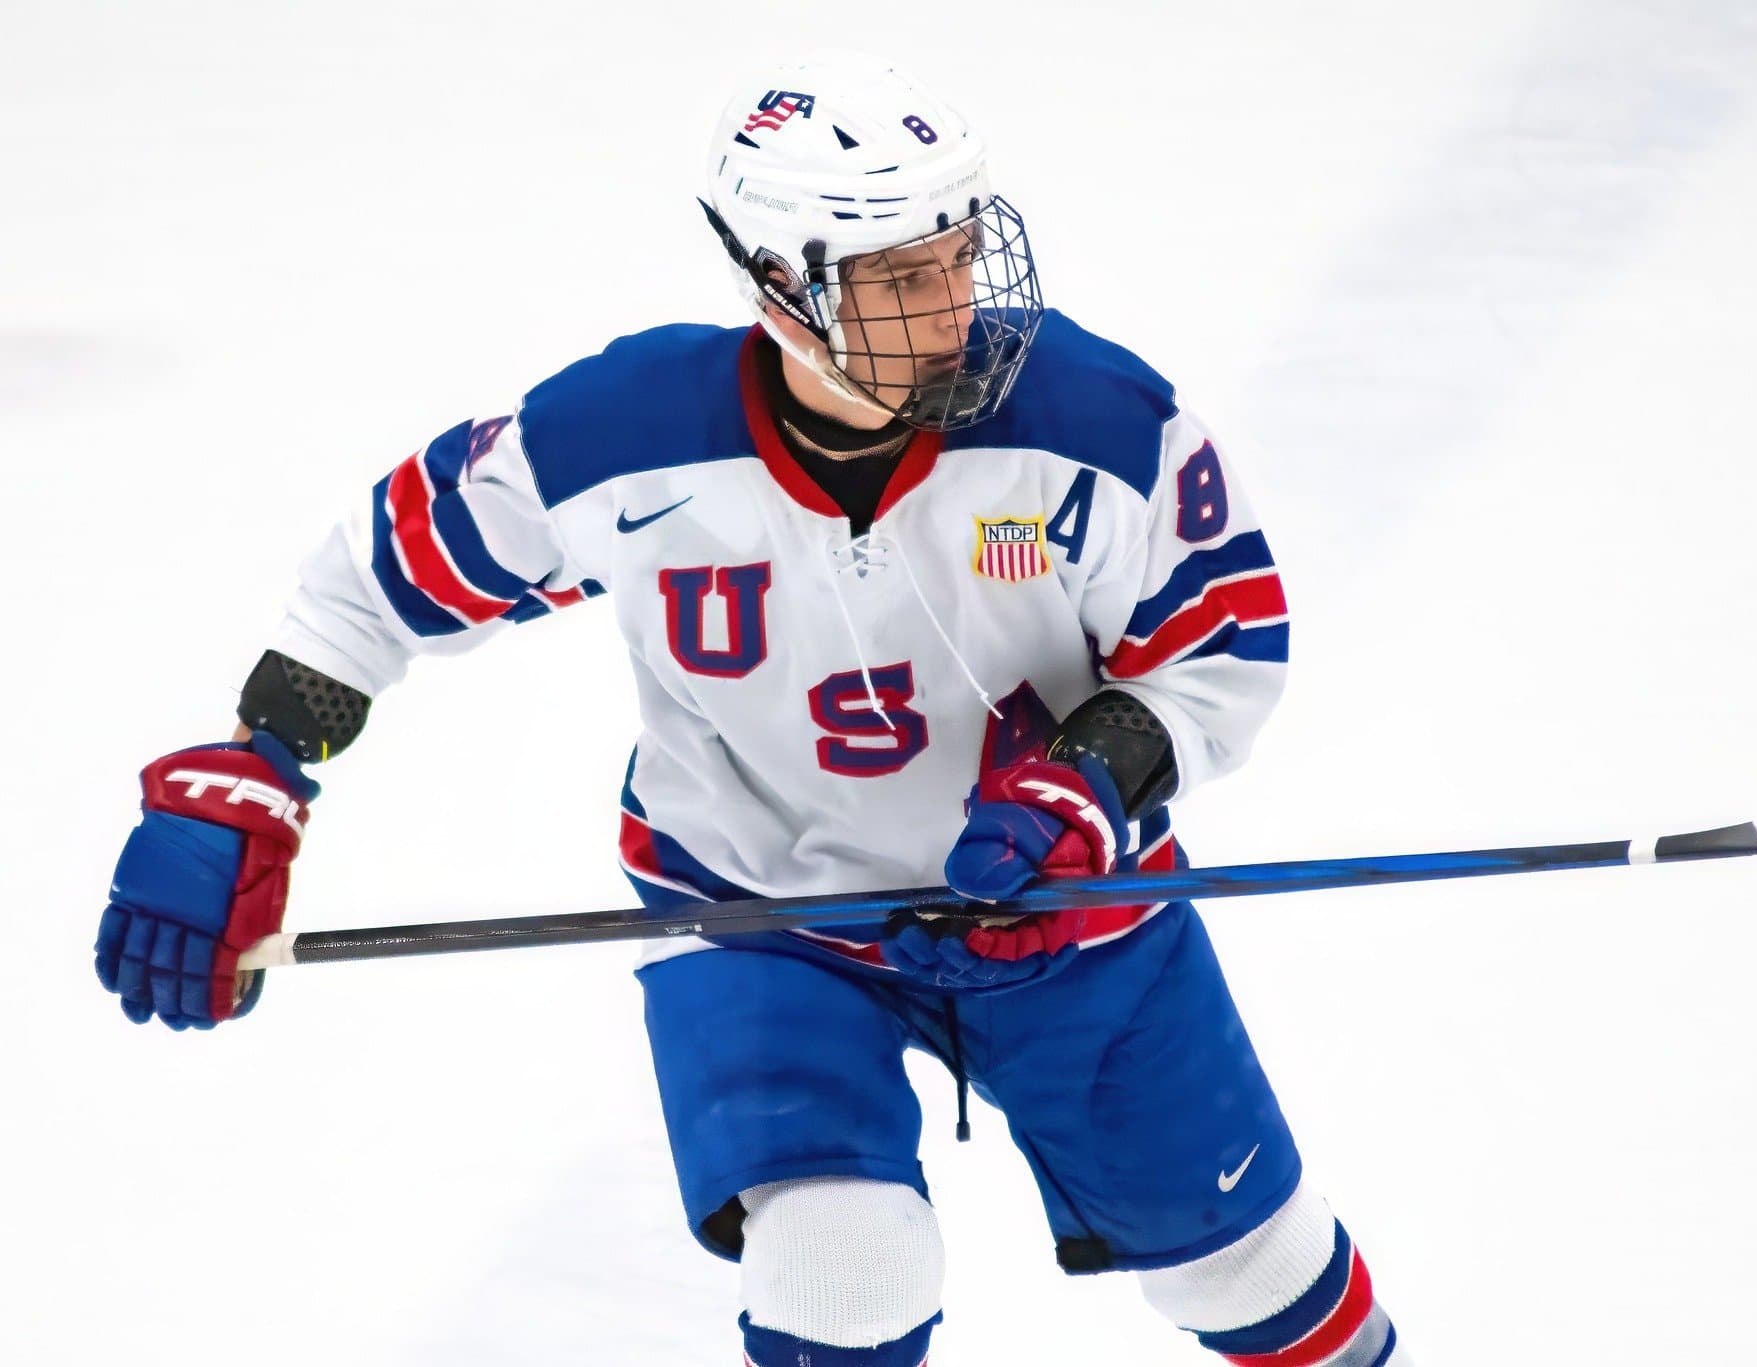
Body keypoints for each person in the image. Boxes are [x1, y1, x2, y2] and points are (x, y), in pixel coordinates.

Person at [95, 53, 1413, 1367]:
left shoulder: (1099, 425)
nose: (955, 308)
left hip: (1071, 919)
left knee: (1247, 1270)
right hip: (760, 918)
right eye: (903, 280)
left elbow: (1219, 646)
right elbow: (371, 588)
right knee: (848, 1272)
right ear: (782, 284)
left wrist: (1085, 791)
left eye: (961, 256)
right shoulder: (616, 442)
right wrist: (258, 764)